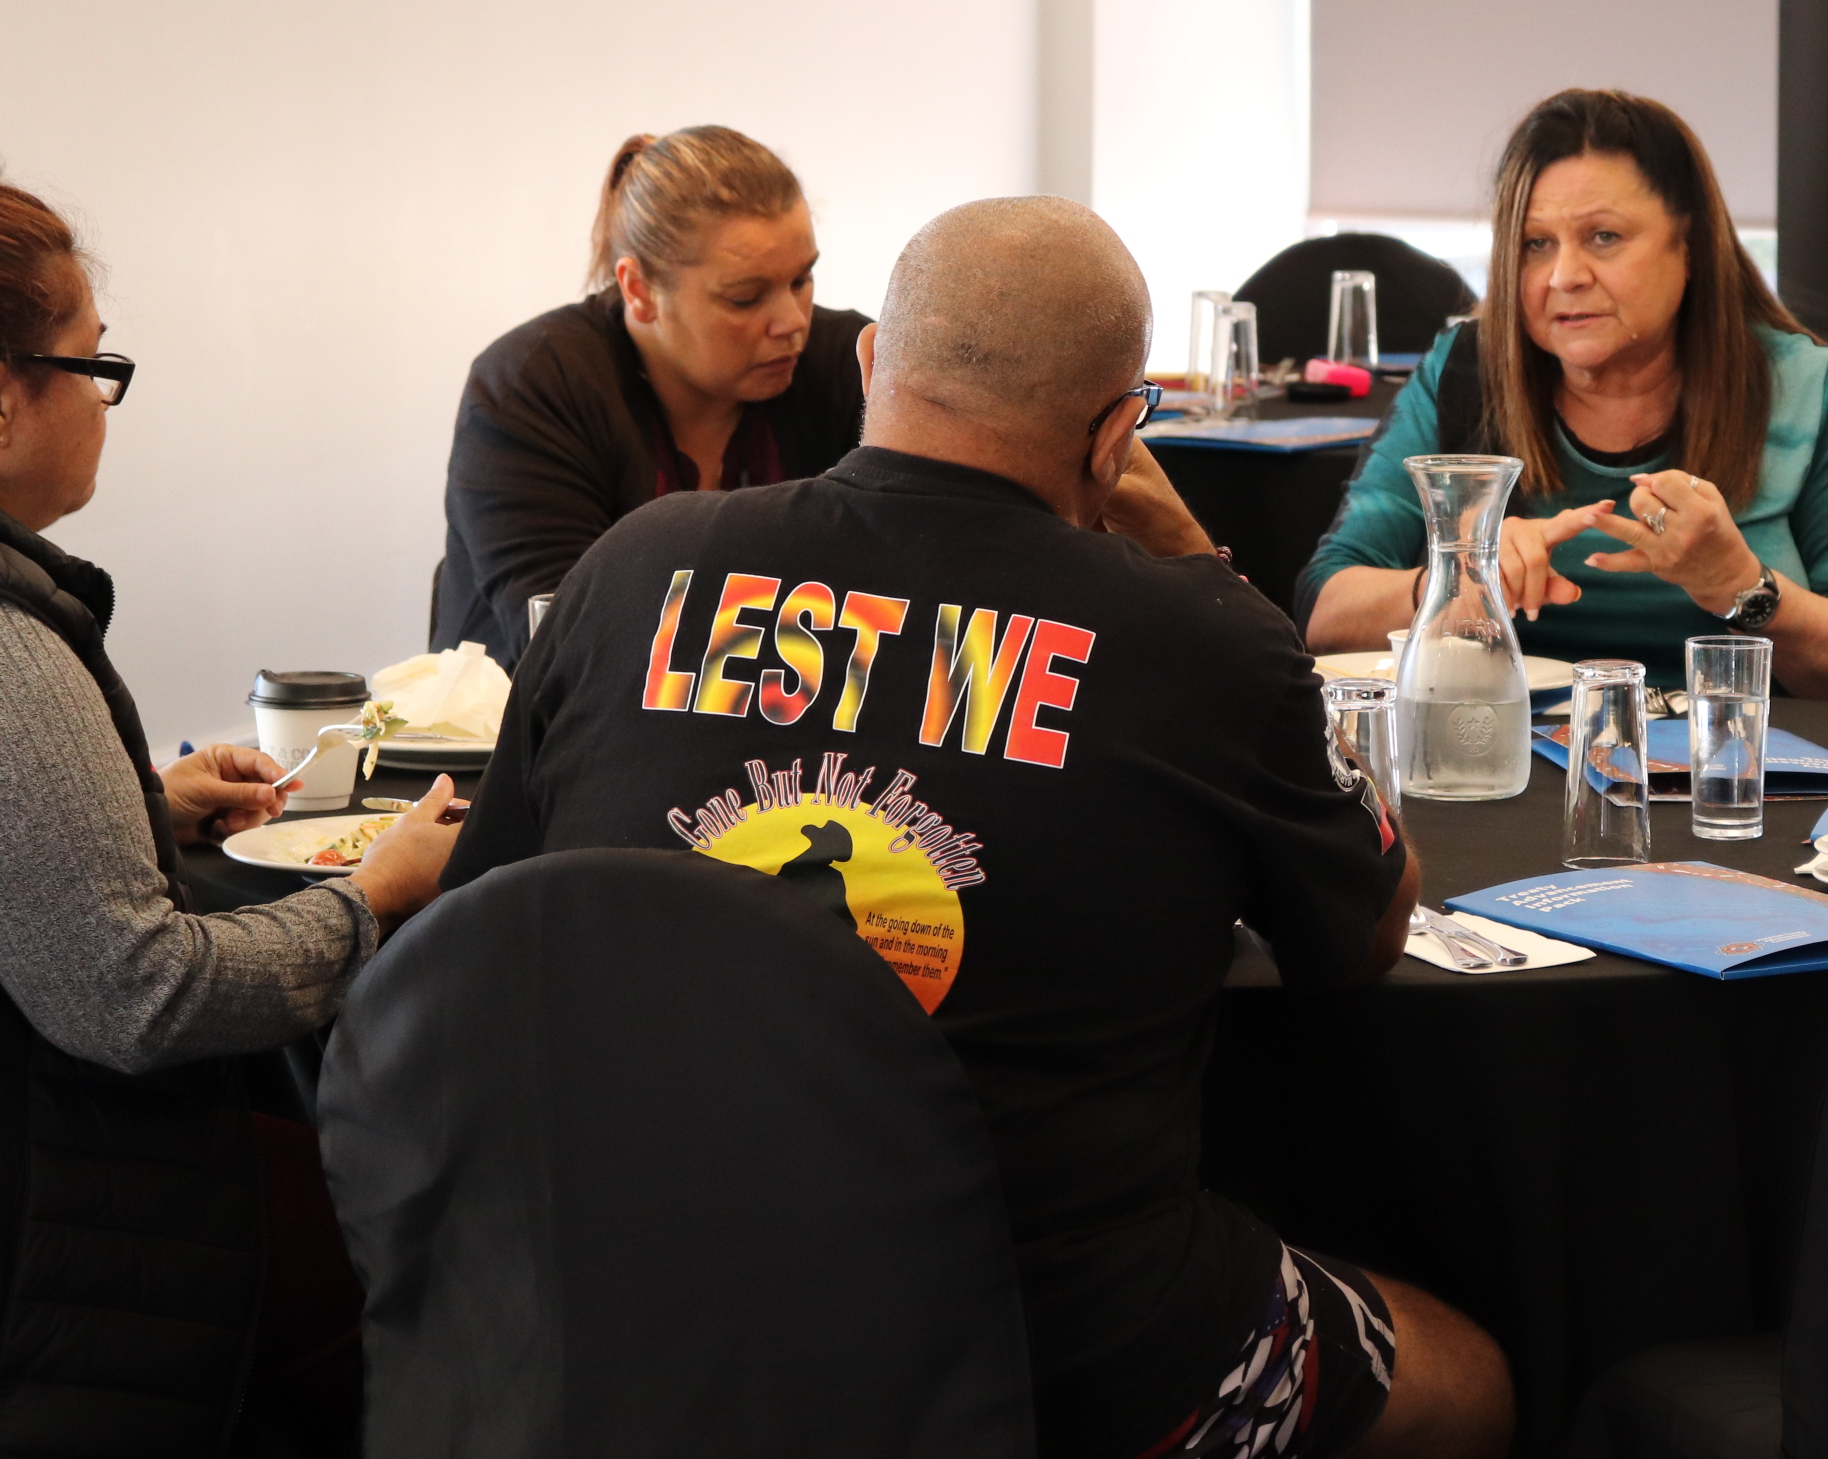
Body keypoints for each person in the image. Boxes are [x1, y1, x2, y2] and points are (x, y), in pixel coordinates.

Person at [441, 196, 1512, 1459]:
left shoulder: (633, 566)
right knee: (1473, 1378)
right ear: (1119, 430)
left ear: (869, 364)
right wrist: (1201, 564)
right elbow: (1363, 934)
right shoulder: (1202, 637)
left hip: (628, 1314)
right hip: (1061, 1347)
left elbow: (485, 920)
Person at [0, 181, 462, 1450]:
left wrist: (142, 807)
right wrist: (374, 895)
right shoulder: (12, 648)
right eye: (91, 367)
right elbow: (138, 993)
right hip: (73, 1258)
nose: (104, 403)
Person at [1299, 89, 1828, 700]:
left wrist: (1741, 586)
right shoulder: (1466, 372)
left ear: (1692, 248)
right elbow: (1323, 612)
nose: (1565, 276)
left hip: (1738, 773)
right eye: (1536, 244)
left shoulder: (1809, 390)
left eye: (1604, 237)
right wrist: (1456, 582)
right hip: (1504, 766)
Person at [434, 126, 869, 668]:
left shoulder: (851, 363)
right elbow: (571, 646)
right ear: (638, 289)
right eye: (745, 298)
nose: (790, 322)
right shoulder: (534, 385)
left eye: (802, 280)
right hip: (536, 742)